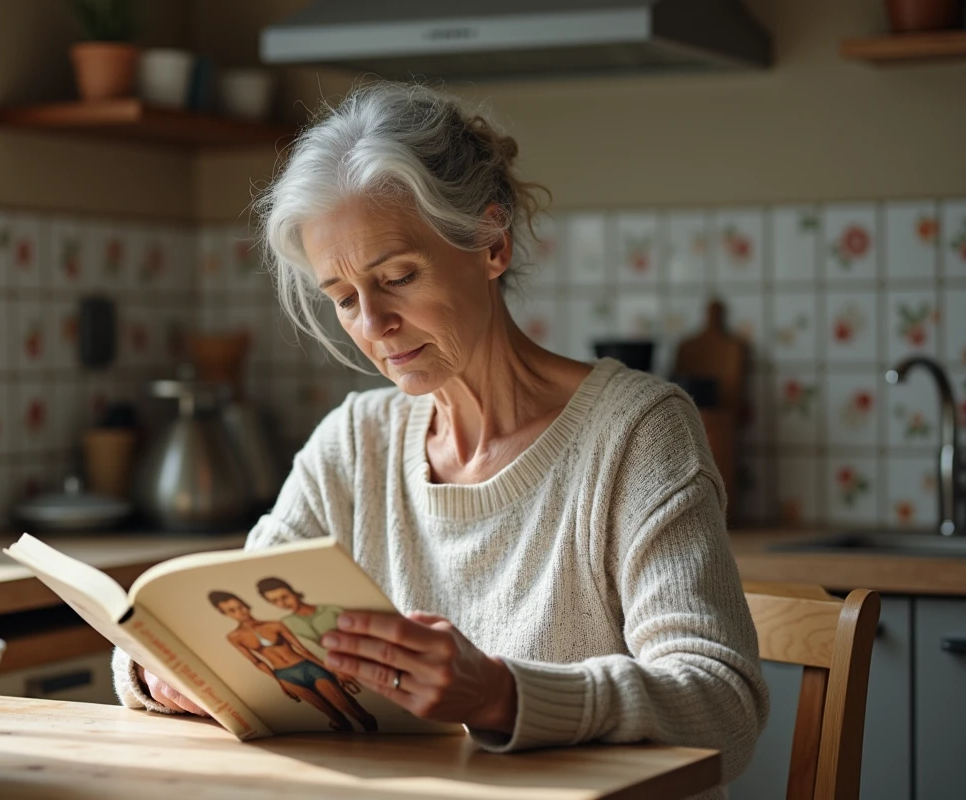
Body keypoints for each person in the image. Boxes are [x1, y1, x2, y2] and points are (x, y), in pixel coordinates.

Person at [114, 81, 767, 797]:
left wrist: (499, 694)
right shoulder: (355, 443)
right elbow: (217, 624)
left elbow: (723, 708)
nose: (372, 325)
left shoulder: (638, 431)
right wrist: (157, 671)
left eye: (397, 277)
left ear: (491, 243)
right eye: (342, 299)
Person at [208, 590, 377, 732]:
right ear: (225, 614)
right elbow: (257, 662)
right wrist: (279, 682)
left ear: (246, 604)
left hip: (307, 667)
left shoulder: (275, 625)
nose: (240, 612)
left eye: (240, 606)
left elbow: (301, 649)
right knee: (335, 717)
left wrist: (332, 670)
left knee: (352, 710)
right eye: (232, 610)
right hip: (285, 675)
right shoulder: (234, 637)